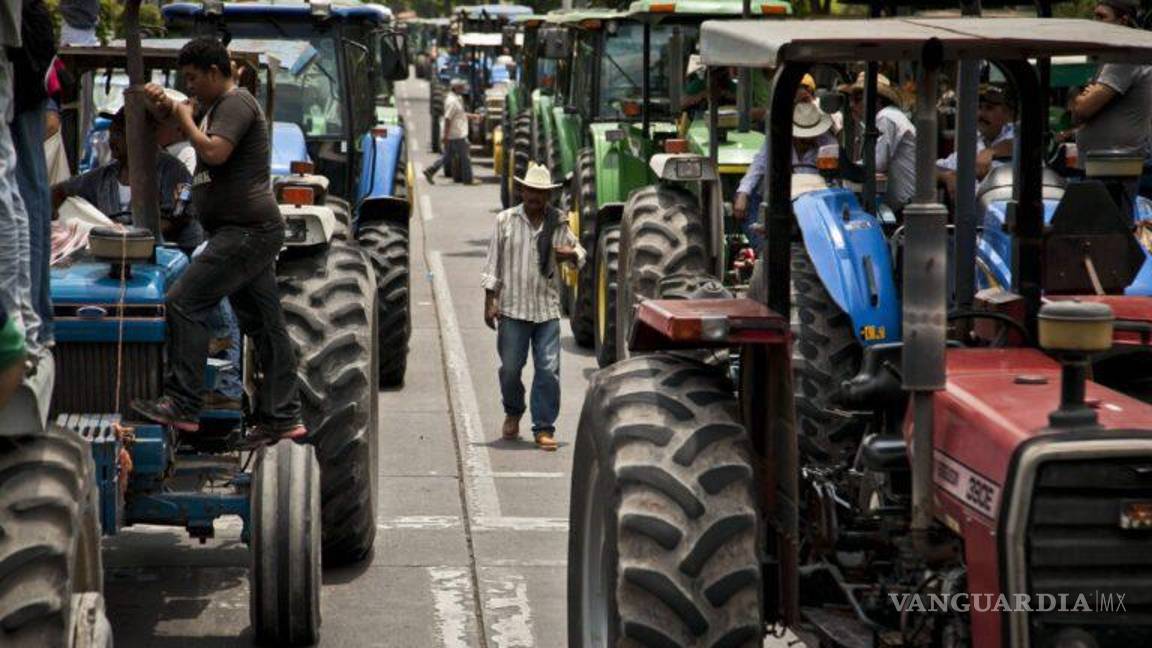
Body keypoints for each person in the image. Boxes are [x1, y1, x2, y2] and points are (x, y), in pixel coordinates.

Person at [136, 37, 303, 441]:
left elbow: (213, 152)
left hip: (247, 231)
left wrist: (185, 117)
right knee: (264, 324)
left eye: (194, 78)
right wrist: (163, 104)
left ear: (215, 73)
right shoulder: (212, 106)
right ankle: (282, 417)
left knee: (183, 301)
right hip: (241, 231)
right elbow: (179, 116)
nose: (189, 86)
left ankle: (184, 403)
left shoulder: (236, 103)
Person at [481, 162, 586, 451]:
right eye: (529, 190)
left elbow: (581, 253)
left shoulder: (558, 222)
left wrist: (570, 254)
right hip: (513, 309)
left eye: (540, 192)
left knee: (548, 370)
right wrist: (490, 302)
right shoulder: (505, 221)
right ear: (522, 191)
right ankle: (513, 410)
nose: (534, 197)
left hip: (546, 310)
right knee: (511, 369)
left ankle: (544, 427)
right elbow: (493, 264)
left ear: (547, 196)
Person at [51, 107, 203, 253]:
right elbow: (59, 191)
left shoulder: (173, 170)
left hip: (167, 254)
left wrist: (128, 234)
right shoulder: (103, 177)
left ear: (142, 136)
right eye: (111, 133)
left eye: (119, 134)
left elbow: (177, 215)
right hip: (116, 253)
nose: (112, 141)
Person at [1071, 0, 1152, 204]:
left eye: (1102, 16)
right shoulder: (1113, 57)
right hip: (1106, 165)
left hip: (1114, 166)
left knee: (1108, 229)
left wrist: (1080, 99)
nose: (1095, 22)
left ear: (1123, 21)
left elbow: (1082, 109)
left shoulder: (1125, 56)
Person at [733, 101, 838, 248]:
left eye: (810, 136)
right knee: (747, 199)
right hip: (781, 200)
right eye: (802, 137)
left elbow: (835, 179)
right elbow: (759, 164)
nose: (806, 140)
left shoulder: (828, 144)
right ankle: (764, 252)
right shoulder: (777, 139)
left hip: (814, 205)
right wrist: (743, 194)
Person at [840, 71, 917, 211]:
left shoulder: (886, 117)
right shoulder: (887, 117)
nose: (851, 105)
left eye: (857, 99)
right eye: (851, 99)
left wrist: (847, 168)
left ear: (876, 100)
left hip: (904, 207)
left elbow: (876, 164)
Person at [937, 84, 1016, 198]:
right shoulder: (976, 142)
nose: (981, 114)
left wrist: (991, 152)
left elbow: (1018, 144)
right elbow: (934, 169)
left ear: (1008, 113)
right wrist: (947, 177)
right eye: (979, 107)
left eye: (989, 108)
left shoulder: (1015, 135)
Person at [424, 78, 477, 185]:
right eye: (461, 86)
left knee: (447, 157)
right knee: (465, 157)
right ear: (456, 87)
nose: (463, 88)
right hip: (456, 134)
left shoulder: (457, 98)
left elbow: (460, 114)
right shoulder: (452, 101)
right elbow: (448, 118)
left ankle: (430, 170)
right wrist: (445, 136)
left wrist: (472, 116)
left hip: (455, 133)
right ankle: (468, 180)